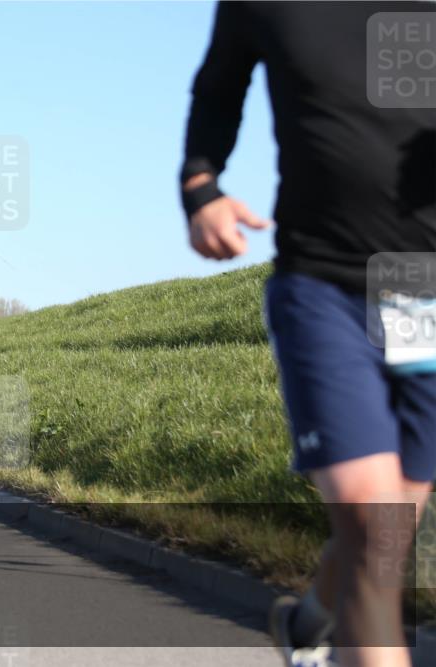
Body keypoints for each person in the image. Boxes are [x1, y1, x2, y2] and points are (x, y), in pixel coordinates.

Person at [182, 4, 435, 666]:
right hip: (323, 282)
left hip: (423, 289)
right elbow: (218, 89)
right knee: (370, 523)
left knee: (388, 532)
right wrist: (201, 187)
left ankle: (307, 621)